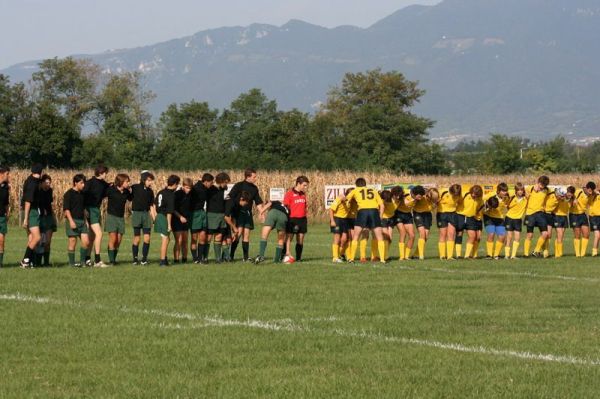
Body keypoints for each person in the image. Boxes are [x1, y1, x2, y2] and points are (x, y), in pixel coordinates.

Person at [228, 168, 266, 261]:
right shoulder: (239, 185)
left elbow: (258, 202)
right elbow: (230, 197)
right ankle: (231, 256)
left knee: (246, 235)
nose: (255, 178)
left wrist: (262, 213)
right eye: (254, 177)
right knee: (238, 233)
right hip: (238, 213)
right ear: (248, 177)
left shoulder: (254, 188)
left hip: (248, 214)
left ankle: (245, 257)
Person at [346, 178, 386, 264]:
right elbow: (382, 205)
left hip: (362, 212)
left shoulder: (355, 190)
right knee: (379, 236)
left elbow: (346, 200)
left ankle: (351, 258)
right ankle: (382, 259)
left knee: (356, 236)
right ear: (365, 184)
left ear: (356, 185)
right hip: (374, 212)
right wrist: (380, 216)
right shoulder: (373, 190)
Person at [83, 165, 110, 267]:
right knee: (99, 234)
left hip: (96, 210)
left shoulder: (103, 184)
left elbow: (109, 187)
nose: (106, 175)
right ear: (100, 173)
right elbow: (82, 194)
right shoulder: (90, 183)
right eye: (105, 173)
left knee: (92, 236)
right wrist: (84, 209)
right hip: (90, 209)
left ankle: (87, 259)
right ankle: (97, 261)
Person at [105, 174, 132, 266]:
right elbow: (101, 192)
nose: (128, 183)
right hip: (111, 217)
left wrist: (130, 191)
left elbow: (131, 198)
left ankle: (114, 259)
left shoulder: (126, 192)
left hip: (121, 218)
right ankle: (111, 261)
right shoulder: (111, 190)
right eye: (127, 181)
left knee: (119, 240)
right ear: (121, 182)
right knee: (113, 239)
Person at [63, 174, 90, 267]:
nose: (83, 185)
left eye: (84, 183)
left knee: (86, 242)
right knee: (72, 241)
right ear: (75, 183)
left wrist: (86, 221)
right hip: (72, 220)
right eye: (81, 183)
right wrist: (71, 221)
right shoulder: (68, 194)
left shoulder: (83, 194)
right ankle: (71, 264)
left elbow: (83, 209)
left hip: (82, 221)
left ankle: (82, 263)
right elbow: (66, 210)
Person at [130, 172, 156, 265]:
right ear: (143, 180)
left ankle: (144, 259)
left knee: (147, 238)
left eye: (151, 180)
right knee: (137, 238)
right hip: (136, 214)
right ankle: (135, 259)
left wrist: (154, 218)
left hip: (146, 215)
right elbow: (127, 195)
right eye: (149, 180)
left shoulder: (150, 191)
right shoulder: (134, 187)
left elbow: (152, 206)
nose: (150, 182)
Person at [20, 163, 43, 268]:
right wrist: (25, 219)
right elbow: (28, 201)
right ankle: (25, 260)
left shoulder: (33, 181)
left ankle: (29, 261)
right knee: (37, 237)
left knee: (31, 238)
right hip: (31, 211)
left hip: (32, 211)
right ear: (39, 172)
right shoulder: (32, 184)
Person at [206, 173, 231, 263]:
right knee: (208, 237)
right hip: (212, 215)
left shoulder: (223, 189)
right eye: (225, 182)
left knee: (219, 236)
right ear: (220, 181)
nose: (226, 184)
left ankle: (218, 259)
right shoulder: (211, 188)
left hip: (221, 215)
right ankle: (205, 258)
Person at [155, 175, 179, 266]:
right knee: (165, 239)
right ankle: (162, 261)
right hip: (164, 217)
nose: (177, 187)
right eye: (177, 184)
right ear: (175, 184)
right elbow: (169, 212)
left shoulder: (161, 192)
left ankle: (164, 258)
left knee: (167, 239)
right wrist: (169, 225)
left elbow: (154, 204)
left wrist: (155, 218)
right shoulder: (171, 195)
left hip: (159, 216)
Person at [283, 176, 309, 262]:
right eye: (304, 185)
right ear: (298, 184)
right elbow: (285, 206)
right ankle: (286, 254)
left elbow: (305, 206)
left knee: (300, 238)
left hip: (302, 219)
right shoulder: (289, 193)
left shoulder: (303, 194)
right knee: (289, 237)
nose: (305, 187)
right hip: (292, 219)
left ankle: (298, 258)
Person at [523, 176, 550, 258]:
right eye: (541, 184)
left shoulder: (547, 190)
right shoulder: (530, 188)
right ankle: (526, 254)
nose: (542, 186)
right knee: (529, 235)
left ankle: (536, 251)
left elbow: (556, 192)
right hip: (530, 214)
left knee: (545, 234)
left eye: (544, 184)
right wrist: (526, 192)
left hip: (540, 214)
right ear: (538, 182)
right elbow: (520, 190)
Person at [190, 173, 212, 264]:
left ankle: (200, 258)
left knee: (203, 236)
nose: (212, 184)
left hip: (202, 213)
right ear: (206, 182)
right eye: (211, 182)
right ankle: (195, 258)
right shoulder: (195, 188)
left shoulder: (206, 189)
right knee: (194, 238)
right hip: (194, 214)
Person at [457, 185, 484, 259]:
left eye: (476, 194)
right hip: (461, 216)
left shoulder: (480, 200)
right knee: (459, 234)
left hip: (471, 218)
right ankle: (458, 255)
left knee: (473, 236)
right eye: (473, 193)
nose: (473, 195)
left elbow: (479, 209)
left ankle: (466, 256)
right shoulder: (465, 194)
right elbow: (457, 201)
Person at [483, 183, 509, 259]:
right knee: (491, 234)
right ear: (498, 191)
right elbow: (482, 200)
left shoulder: (507, 197)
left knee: (502, 236)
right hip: (489, 217)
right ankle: (489, 255)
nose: (505, 193)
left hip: (500, 218)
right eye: (503, 191)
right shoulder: (491, 195)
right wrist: (487, 206)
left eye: (506, 191)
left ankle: (496, 255)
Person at [436, 184, 462, 260]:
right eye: (454, 193)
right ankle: (442, 256)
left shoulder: (459, 195)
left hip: (453, 214)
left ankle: (450, 256)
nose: (455, 195)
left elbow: (460, 203)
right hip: (442, 214)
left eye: (457, 194)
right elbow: (435, 200)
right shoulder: (442, 191)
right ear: (451, 190)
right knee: (443, 234)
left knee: (451, 234)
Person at [570, 181, 594, 257]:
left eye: (592, 191)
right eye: (590, 190)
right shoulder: (578, 191)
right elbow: (570, 195)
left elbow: (590, 204)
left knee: (586, 234)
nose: (590, 192)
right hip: (574, 215)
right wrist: (574, 199)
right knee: (577, 235)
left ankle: (583, 254)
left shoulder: (590, 195)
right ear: (587, 188)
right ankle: (577, 254)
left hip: (583, 215)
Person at [329, 188, 353, 263]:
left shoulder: (351, 201)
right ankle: (335, 257)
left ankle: (341, 254)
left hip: (345, 220)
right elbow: (331, 210)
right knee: (337, 238)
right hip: (337, 219)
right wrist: (332, 221)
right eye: (351, 193)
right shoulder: (340, 198)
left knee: (345, 239)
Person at [504, 183, 527, 259]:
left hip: (518, 220)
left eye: (521, 190)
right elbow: (507, 206)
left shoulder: (526, 199)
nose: (520, 191)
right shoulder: (512, 198)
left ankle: (513, 255)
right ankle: (507, 255)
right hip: (509, 218)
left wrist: (525, 192)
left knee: (517, 237)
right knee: (509, 237)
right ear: (516, 191)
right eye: (518, 190)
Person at [39, 174, 57, 267]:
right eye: (46, 182)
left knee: (48, 242)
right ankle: (37, 262)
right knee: (41, 241)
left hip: (49, 217)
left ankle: (46, 262)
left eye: (49, 183)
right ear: (41, 183)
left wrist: (53, 216)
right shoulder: (38, 191)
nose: (48, 184)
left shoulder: (50, 191)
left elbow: (50, 204)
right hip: (40, 217)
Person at [173, 178, 193, 264]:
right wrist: (180, 217)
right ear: (183, 186)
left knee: (185, 241)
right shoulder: (177, 194)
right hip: (177, 220)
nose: (188, 189)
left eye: (190, 188)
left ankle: (184, 259)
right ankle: (176, 260)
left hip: (186, 220)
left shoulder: (191, 195)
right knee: (179, 240)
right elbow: (172, 208)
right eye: (187, 187)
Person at [392, 186, 415, 261]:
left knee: (412, 236)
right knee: (403, 233)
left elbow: (407, 203)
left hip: (408, 215)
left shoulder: (418, 196)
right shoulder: (401, 194)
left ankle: (406, 256)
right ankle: (401, 256)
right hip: (398, 214)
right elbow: (406, 203)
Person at [552, 187, 571, 258]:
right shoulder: (557, 198)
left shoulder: (568, 198)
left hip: (564, 216)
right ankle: (558, 254)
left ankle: (558, 253)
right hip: (557, 216)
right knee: (559, 234)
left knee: (561, 235)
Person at [0, 166, 9, 267]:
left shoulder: (6, 187)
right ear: (1, 174)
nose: (8, 176)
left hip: (2, 216)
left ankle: (0, 263)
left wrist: (7, 213)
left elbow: (6, 202)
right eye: (7, 174)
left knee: (1, 240)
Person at [589, 186, 600, 257]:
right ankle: (594, 251)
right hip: (594, 217)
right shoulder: (595, 194)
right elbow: (590, 192)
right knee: (597, 235)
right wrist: (594, 191)